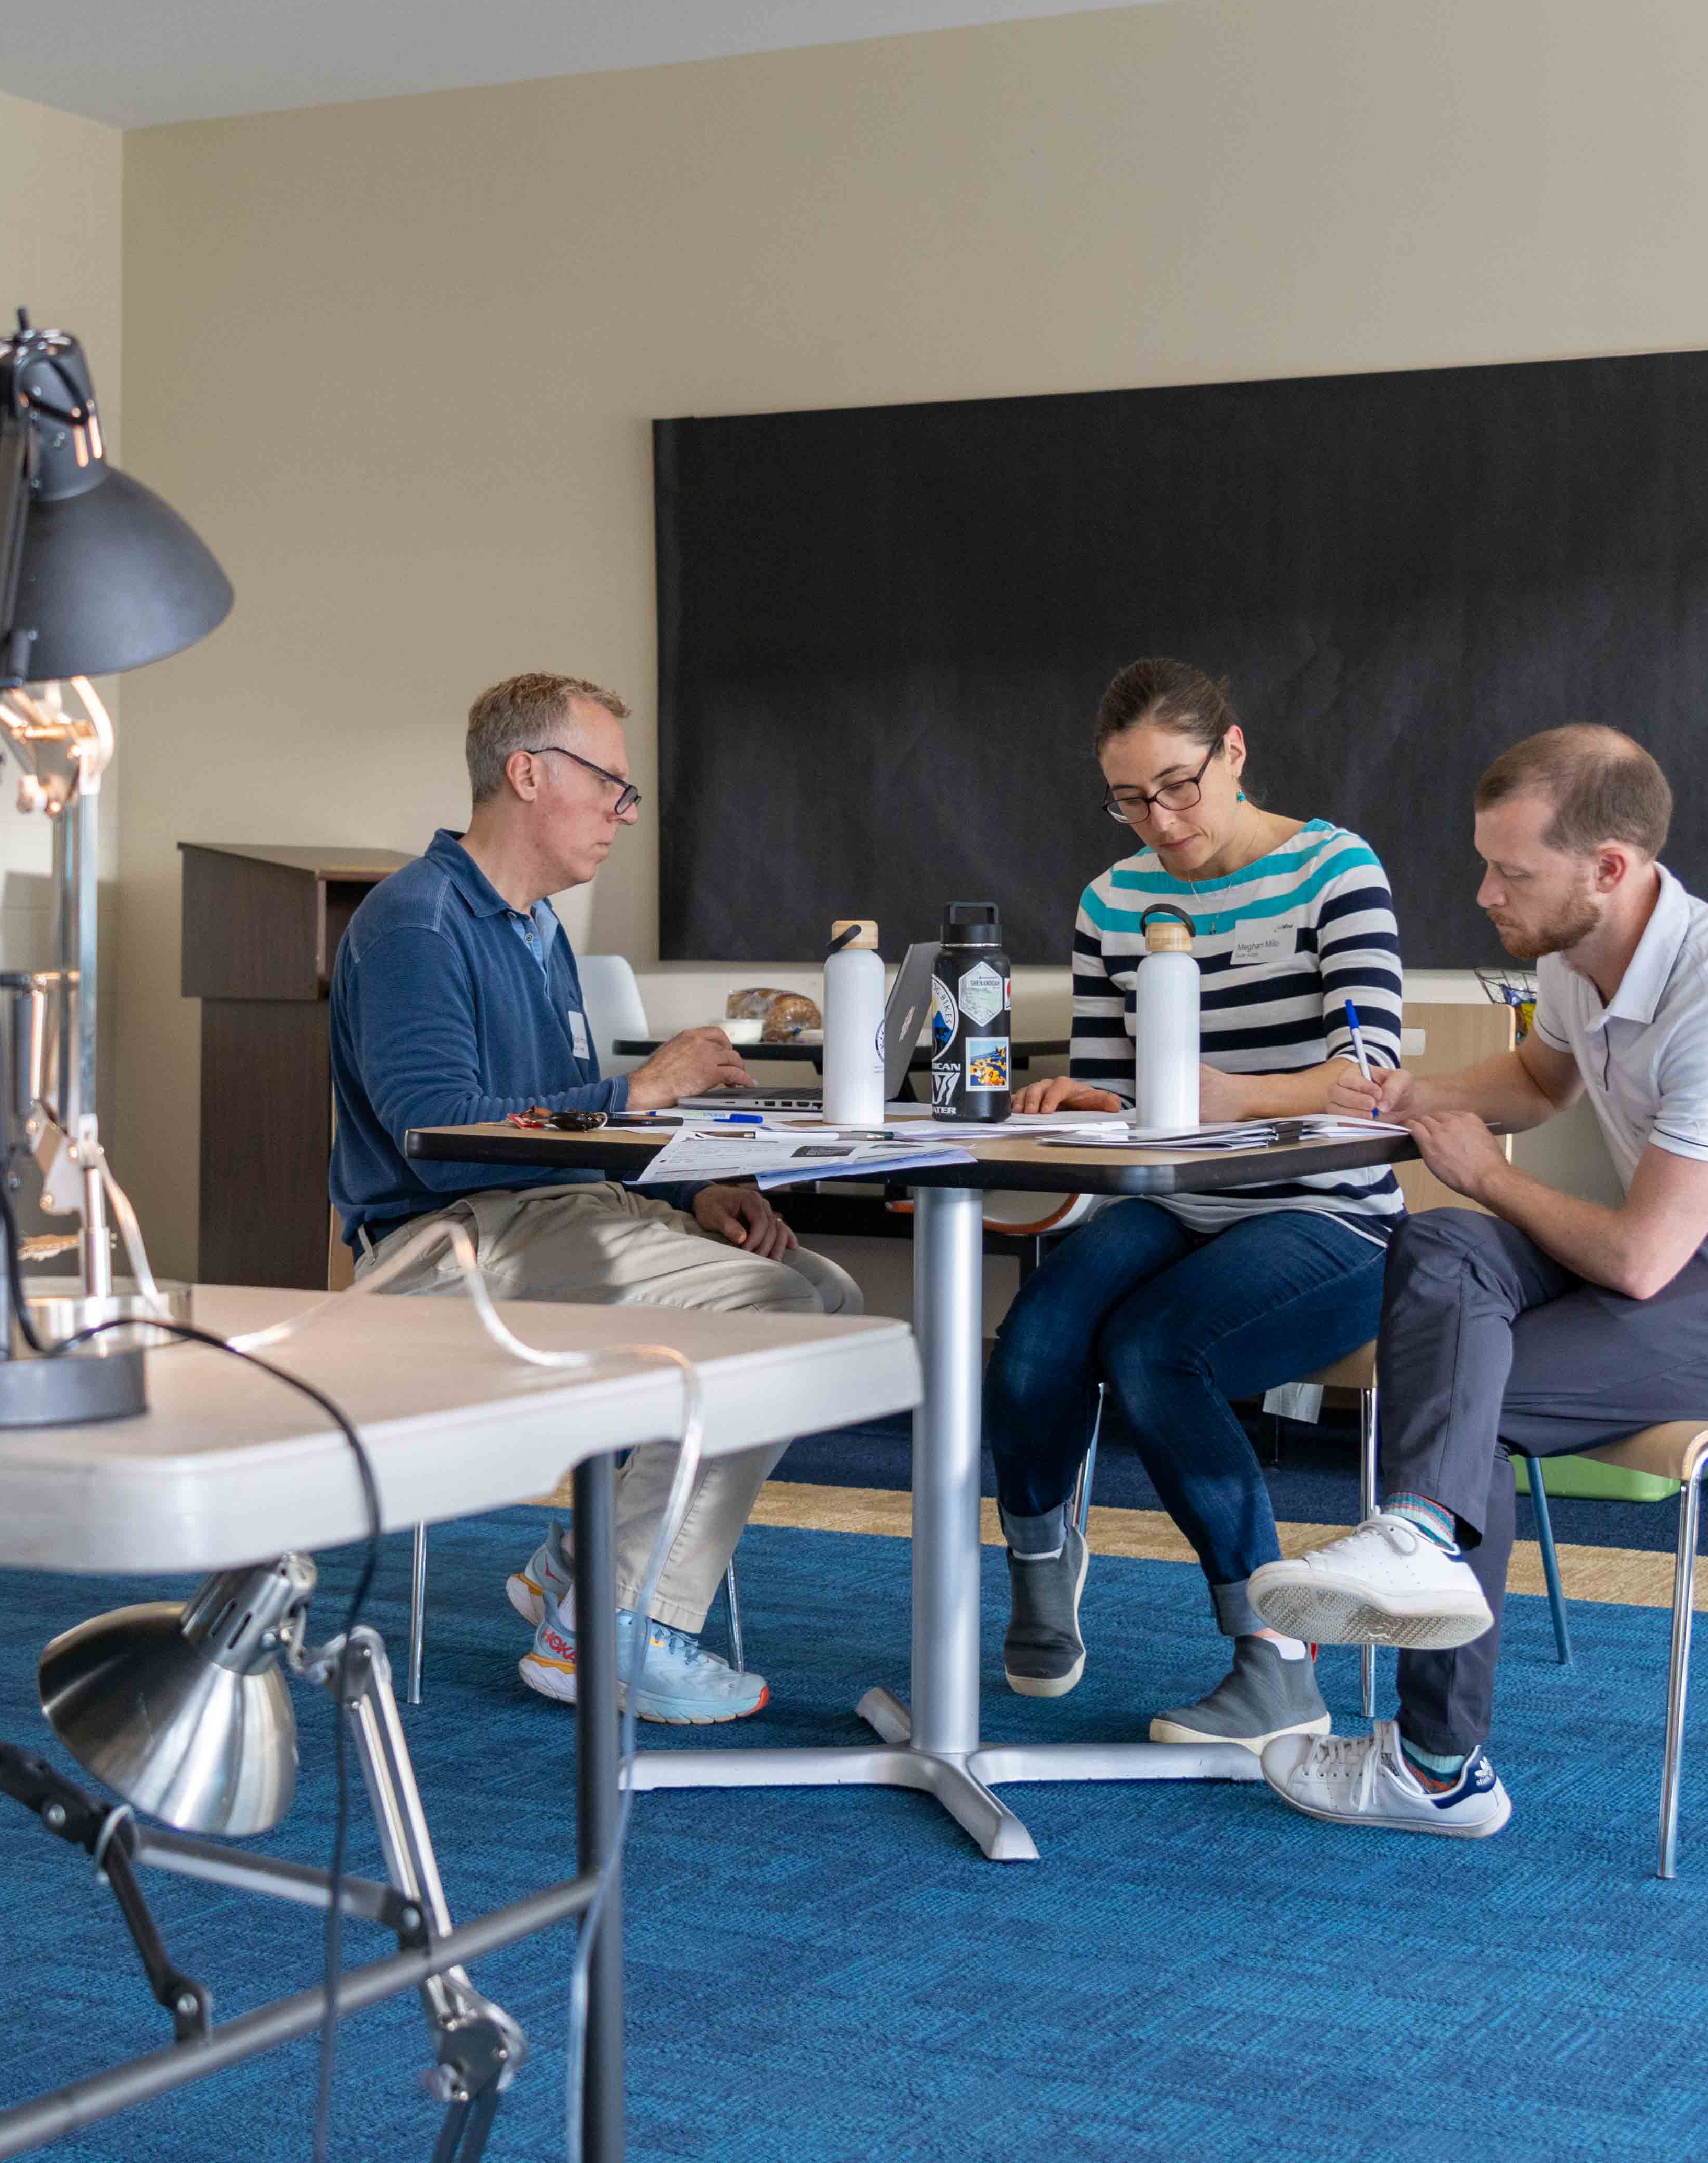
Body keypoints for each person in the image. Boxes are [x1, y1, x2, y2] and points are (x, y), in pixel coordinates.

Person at [1251, 724, 1708, 1838]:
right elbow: (1542, 1078)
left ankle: (1438, 1765)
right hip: (1686, 1270)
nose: (1484, 892)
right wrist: (1413, 1099)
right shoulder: (1574, 954)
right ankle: (1416, 1535)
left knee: (1476, 1395)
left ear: (1609, 868)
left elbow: (1641, 1260)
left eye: (1513, 871)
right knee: (1446, 1251)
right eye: (1487, 861)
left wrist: (1488, 1174)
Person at [329, 671, 863, 1725]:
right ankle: (616, 1626)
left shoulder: (537, 929)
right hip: (446, 1248)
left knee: (825, 1289)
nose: (625, 813)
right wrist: (639, 1092)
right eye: (611, 784)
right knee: (776, 1316)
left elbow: (570, 1136)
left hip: (556, 1215)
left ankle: (580, 1564)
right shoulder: (417, 924)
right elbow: (440, 1136)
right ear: (528, 774)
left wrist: (692, 1186)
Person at [987, 659, 1408, 1751]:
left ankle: (1277, 1661)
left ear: (1234, 750)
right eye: (1129, 798)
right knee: (1033, 1339)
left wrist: (1233, 1095)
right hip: (1179, 1199)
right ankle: (1041, 1566)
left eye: (1178, 785)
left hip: (1329, 1212)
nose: (1159, 820)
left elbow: (1369, 1072)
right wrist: (1076, 1100)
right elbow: (1107, 1082)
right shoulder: (1112, 901)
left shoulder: (1333, 868)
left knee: (1155, 1351)